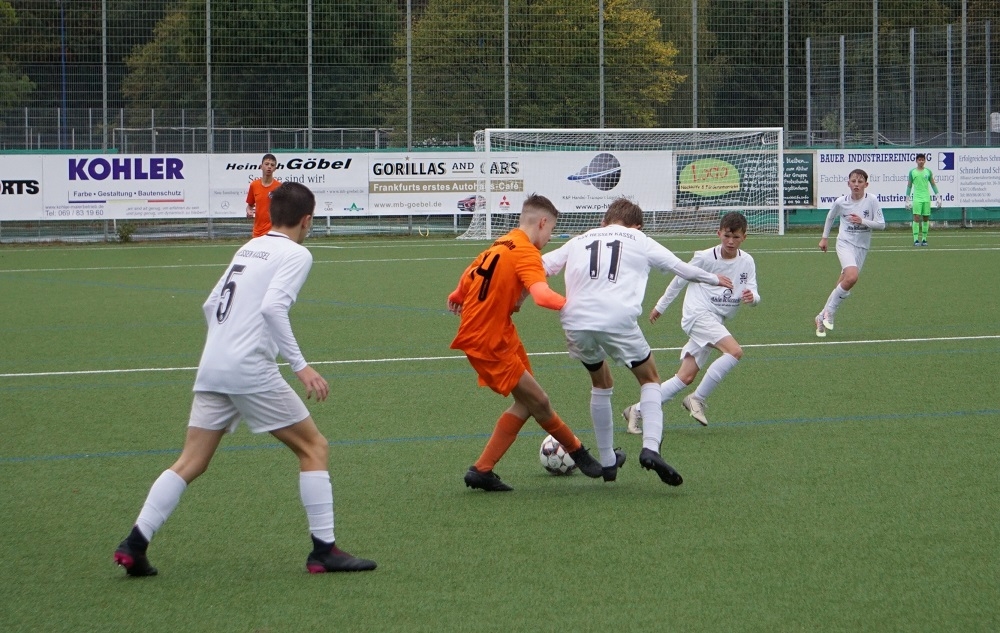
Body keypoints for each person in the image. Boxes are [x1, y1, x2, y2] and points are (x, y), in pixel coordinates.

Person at [113, 182, 376, 577]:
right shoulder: (297, 253)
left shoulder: (249, 248)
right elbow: (273, 308)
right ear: (307, 220)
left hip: (213, 363)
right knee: (314, 447)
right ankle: (323, 551)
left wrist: (226, 344)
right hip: (249, 367)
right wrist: (300, 366)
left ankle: (135, 544)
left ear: (271, 215)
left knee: (191, 460)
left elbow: (210, 304)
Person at [543, 198, 732, 486]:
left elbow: (541, 265)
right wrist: (714, 279)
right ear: (637, 226)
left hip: (575, 320)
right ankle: (651, 448)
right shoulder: (639, 239)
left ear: (604, 221)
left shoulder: (579, 239)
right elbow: (681, 268)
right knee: (650, 378)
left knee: (601, 383)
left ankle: (608, 463)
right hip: (617, 318)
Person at [447, 193, 604, 492]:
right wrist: (580, 307)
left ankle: (482, 470)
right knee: (539, 401)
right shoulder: (526, 252)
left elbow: (471, 272)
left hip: (498, 331)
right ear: (542, 222)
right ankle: (581, 455)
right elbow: (542, 296)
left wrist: (458, 293)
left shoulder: (502, 242)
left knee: (527, 402)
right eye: (551, 230)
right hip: (488, 338)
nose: (550, 237)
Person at [621, 212, 758, 435]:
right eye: (726, 236)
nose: (730, 241)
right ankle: (697, 398)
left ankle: (636, 410)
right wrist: (661, 306)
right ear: (719, 233)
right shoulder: (704, 257)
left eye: (736, 237)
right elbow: (679, 280)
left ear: (744, 237)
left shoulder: (747, 261)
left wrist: (753, 298)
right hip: (698, 315)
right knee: (734, 351)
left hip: (716, 320)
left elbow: (753, 290)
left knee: (685, 376)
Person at [814, 168, 886, 337]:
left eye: (860, 182)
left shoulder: (872, 200)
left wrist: (863, 221)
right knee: (852, 277)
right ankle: (830, 312)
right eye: (853, 181)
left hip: (861, 247)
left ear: (866, 184)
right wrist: (824, 238)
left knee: (844, 283)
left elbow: (881, 224)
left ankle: (820, 316)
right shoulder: (841, 202)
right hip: (844, 243)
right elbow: (830, 217)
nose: (856, 184)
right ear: (848, 183)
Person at [905, 153, 941, 247]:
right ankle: (916, 239)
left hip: (926, 198)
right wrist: (907, 200)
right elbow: (909, 185)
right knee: (916, 217)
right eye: (919, 160)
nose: (921, 161)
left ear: (925, 161)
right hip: (917, 198)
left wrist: (938, 197)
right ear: (916, 161)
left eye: (922, 160)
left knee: (926, 218)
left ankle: (924, 239)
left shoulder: (928, 171)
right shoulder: (912, 172)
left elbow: (933, 184)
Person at [246, 153, 281, 238]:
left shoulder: (279, 187)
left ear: (275, 169)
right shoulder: (254, 185)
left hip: (273, 232)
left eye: (272, 165)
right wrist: (249, 211)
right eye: (266, 164)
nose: (269, 167)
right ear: (261, 166)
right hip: (258, 232)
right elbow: (250, 206)